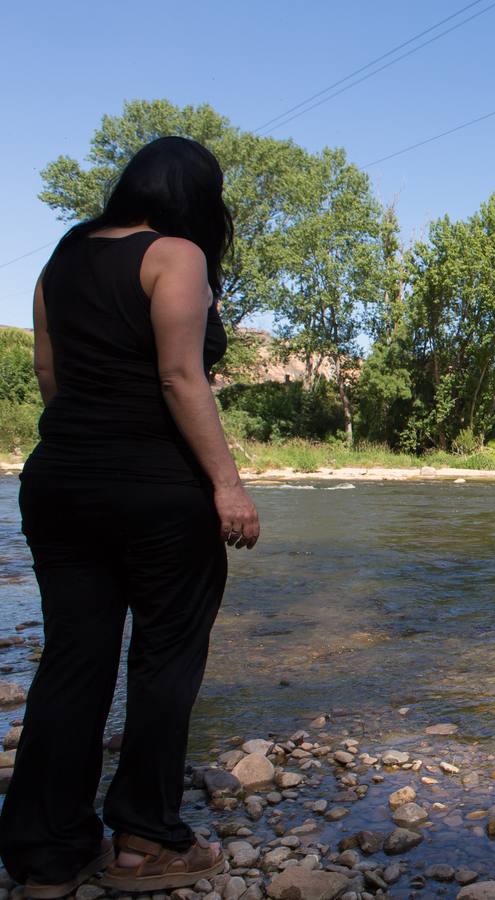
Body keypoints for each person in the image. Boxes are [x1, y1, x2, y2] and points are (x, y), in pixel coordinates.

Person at [0, 136, 261, 897]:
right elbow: (181, 377)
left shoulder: (62, 258)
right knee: (163, 662)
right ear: (196, 199)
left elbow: (50, 373)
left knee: (73, 661)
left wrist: (89, 445)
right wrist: (227, 485)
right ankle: (146, 841)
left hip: (60, 480)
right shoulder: (175, 255)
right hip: (157, 490)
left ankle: (44, 855)